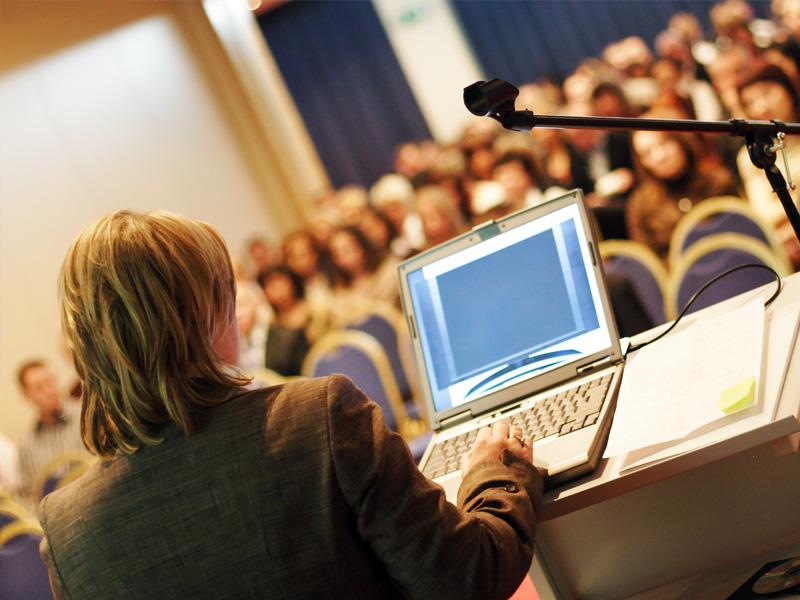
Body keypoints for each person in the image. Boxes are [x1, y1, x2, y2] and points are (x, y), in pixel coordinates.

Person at [40, 209, 542, 599]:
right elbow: (466, 579)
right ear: (211, 314)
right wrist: (494, 475)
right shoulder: (316, 418)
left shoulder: (66, 529)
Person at [16, 360, 85, 498]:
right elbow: (29, 496)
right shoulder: (27, 445)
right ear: (26, 394)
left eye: (51, 382)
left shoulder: (85, 417)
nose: (49, 391)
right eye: (39, 387)